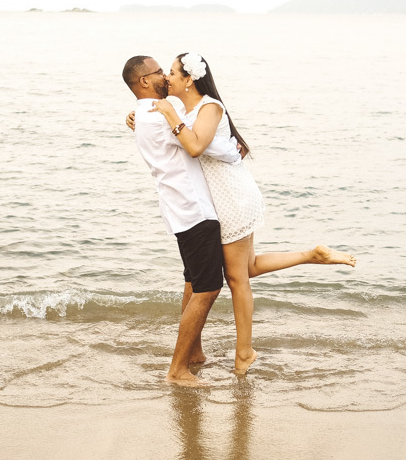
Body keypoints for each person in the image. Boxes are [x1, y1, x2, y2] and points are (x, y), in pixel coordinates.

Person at [132, 53, 356, 374]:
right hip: (221, 200)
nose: (167, 77)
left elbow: (195, 145)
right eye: (164, 72)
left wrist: (169, 116)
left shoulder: (209, 107)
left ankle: (244, 353)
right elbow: (181, 134)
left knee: (237, 279)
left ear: (189, 78)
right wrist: (141, 116)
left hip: (232, 199)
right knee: (246, 269)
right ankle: (312, 255)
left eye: (172, 72)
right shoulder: (185, 108)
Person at [122, 54, 240, 385]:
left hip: (179, 209)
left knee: (192, 282)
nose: (165, 76)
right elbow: (198, 142)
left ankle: (195, 353)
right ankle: (177, 370)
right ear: (144, 81)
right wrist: (233, 149)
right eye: (159, 71)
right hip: (193, 209)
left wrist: (137, 115)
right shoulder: (160, 116)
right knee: (208, 288)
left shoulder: (148, 113)